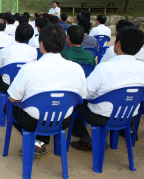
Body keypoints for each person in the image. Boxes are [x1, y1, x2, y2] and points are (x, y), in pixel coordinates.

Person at [7, 24, 87, 156]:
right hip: (63, 119)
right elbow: (81, 97)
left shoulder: (29, 68)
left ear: (41, 44)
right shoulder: (77, 68)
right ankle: (40, 141)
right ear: (64, 43)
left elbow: (12, 98)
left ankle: (37, 141)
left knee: (8, 107)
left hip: (33, 120)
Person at [70, 27, 144, 151]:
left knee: (73, 103)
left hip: (101, 116)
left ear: (118, 43)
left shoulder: (105, 68)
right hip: (128, 115)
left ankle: (86, 139)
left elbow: (84, 93)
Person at [0, 24, 37, 112]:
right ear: (30, 37)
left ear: (15, 33)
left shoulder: (5, 50)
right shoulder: (33, 51)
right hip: (25, 87)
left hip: (7, 85)